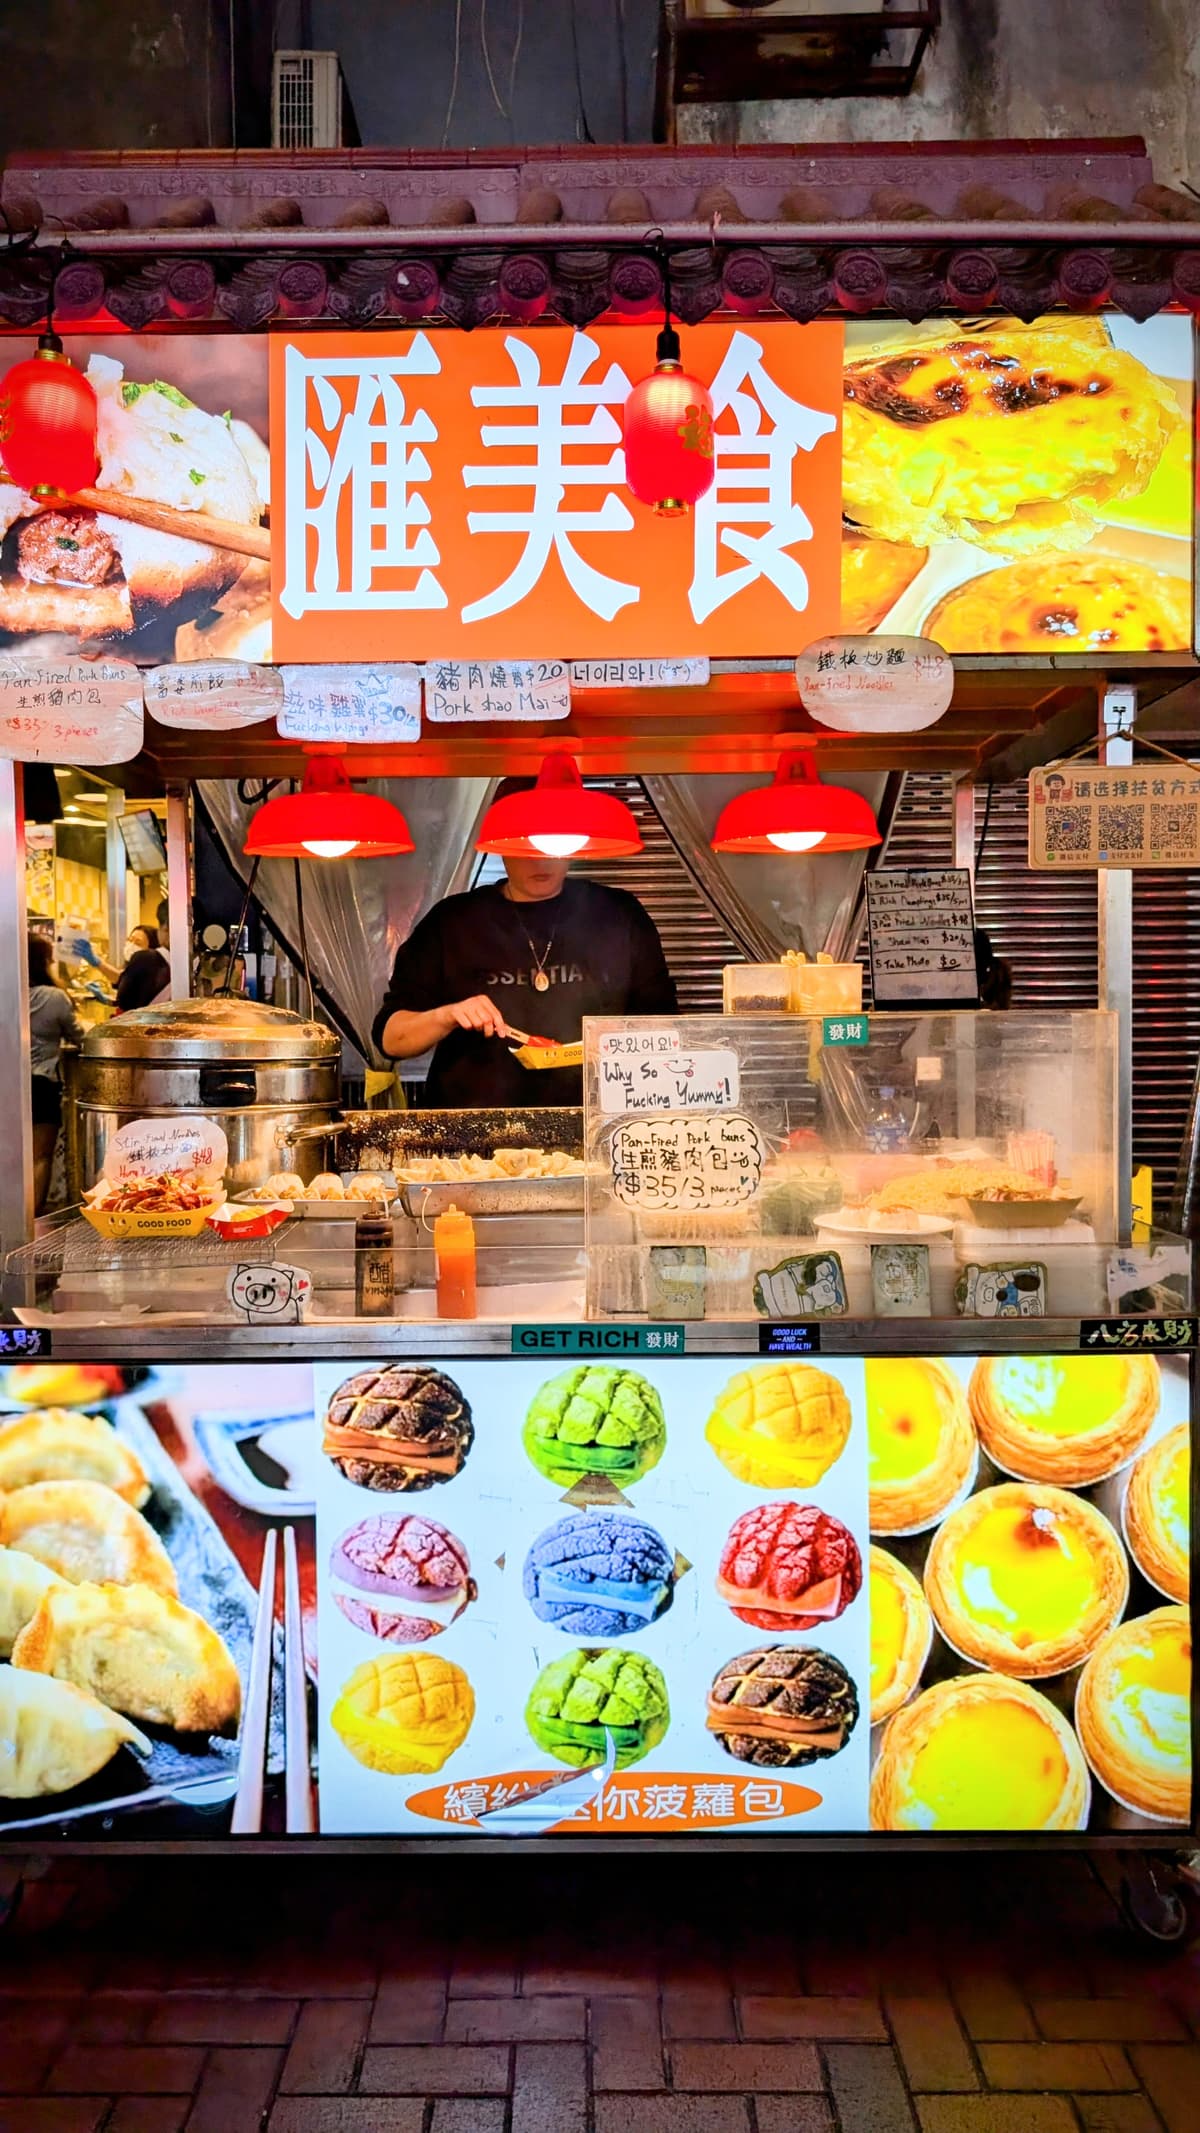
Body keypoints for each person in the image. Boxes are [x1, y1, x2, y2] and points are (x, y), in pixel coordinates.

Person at [373, 830, 676, 1107]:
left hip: (597, 1123)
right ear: (499, 845)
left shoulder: (619, 914)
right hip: (471, 1139)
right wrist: (447, 1015)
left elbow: (666, 1028)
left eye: (552, 847)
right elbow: (391, 1039)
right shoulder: (453, 921)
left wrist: (621, 1039)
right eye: (523, 846)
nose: (539, 861)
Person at [28, 931, 84, 1214]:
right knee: (40, 1155)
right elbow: (81, 1038)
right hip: (41, 1083)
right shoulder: (54, 998)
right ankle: (30, 1220)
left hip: (9, 1082)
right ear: (45, 961)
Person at [116, 900, 172, 1013]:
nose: (131, 945)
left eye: (138, 942)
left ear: (165, 926)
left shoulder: (145, 959)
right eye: (130, 940)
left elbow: (124, 1001)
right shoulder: (196, 963)